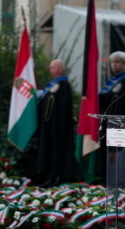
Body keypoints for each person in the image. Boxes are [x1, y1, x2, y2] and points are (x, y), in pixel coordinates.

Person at [95, 51, 125, 187]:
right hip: (109, 125)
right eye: (112, 62)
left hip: (121, 126)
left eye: (117, 62)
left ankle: (121, 183)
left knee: (119, 156)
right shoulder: (111, 81)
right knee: (109, 155)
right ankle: (109, 181)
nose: (114, 65)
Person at [36, 59, 76, 188]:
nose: (50, 70)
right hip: (49, 125)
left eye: (53, 67)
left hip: (58, 126)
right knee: (48, 149)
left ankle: (57, 176)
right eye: (50, 67)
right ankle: (49, 176)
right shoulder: (52, 84)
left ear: (60, 69)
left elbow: (63, 106)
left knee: (57, 150)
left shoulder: (63, 84)